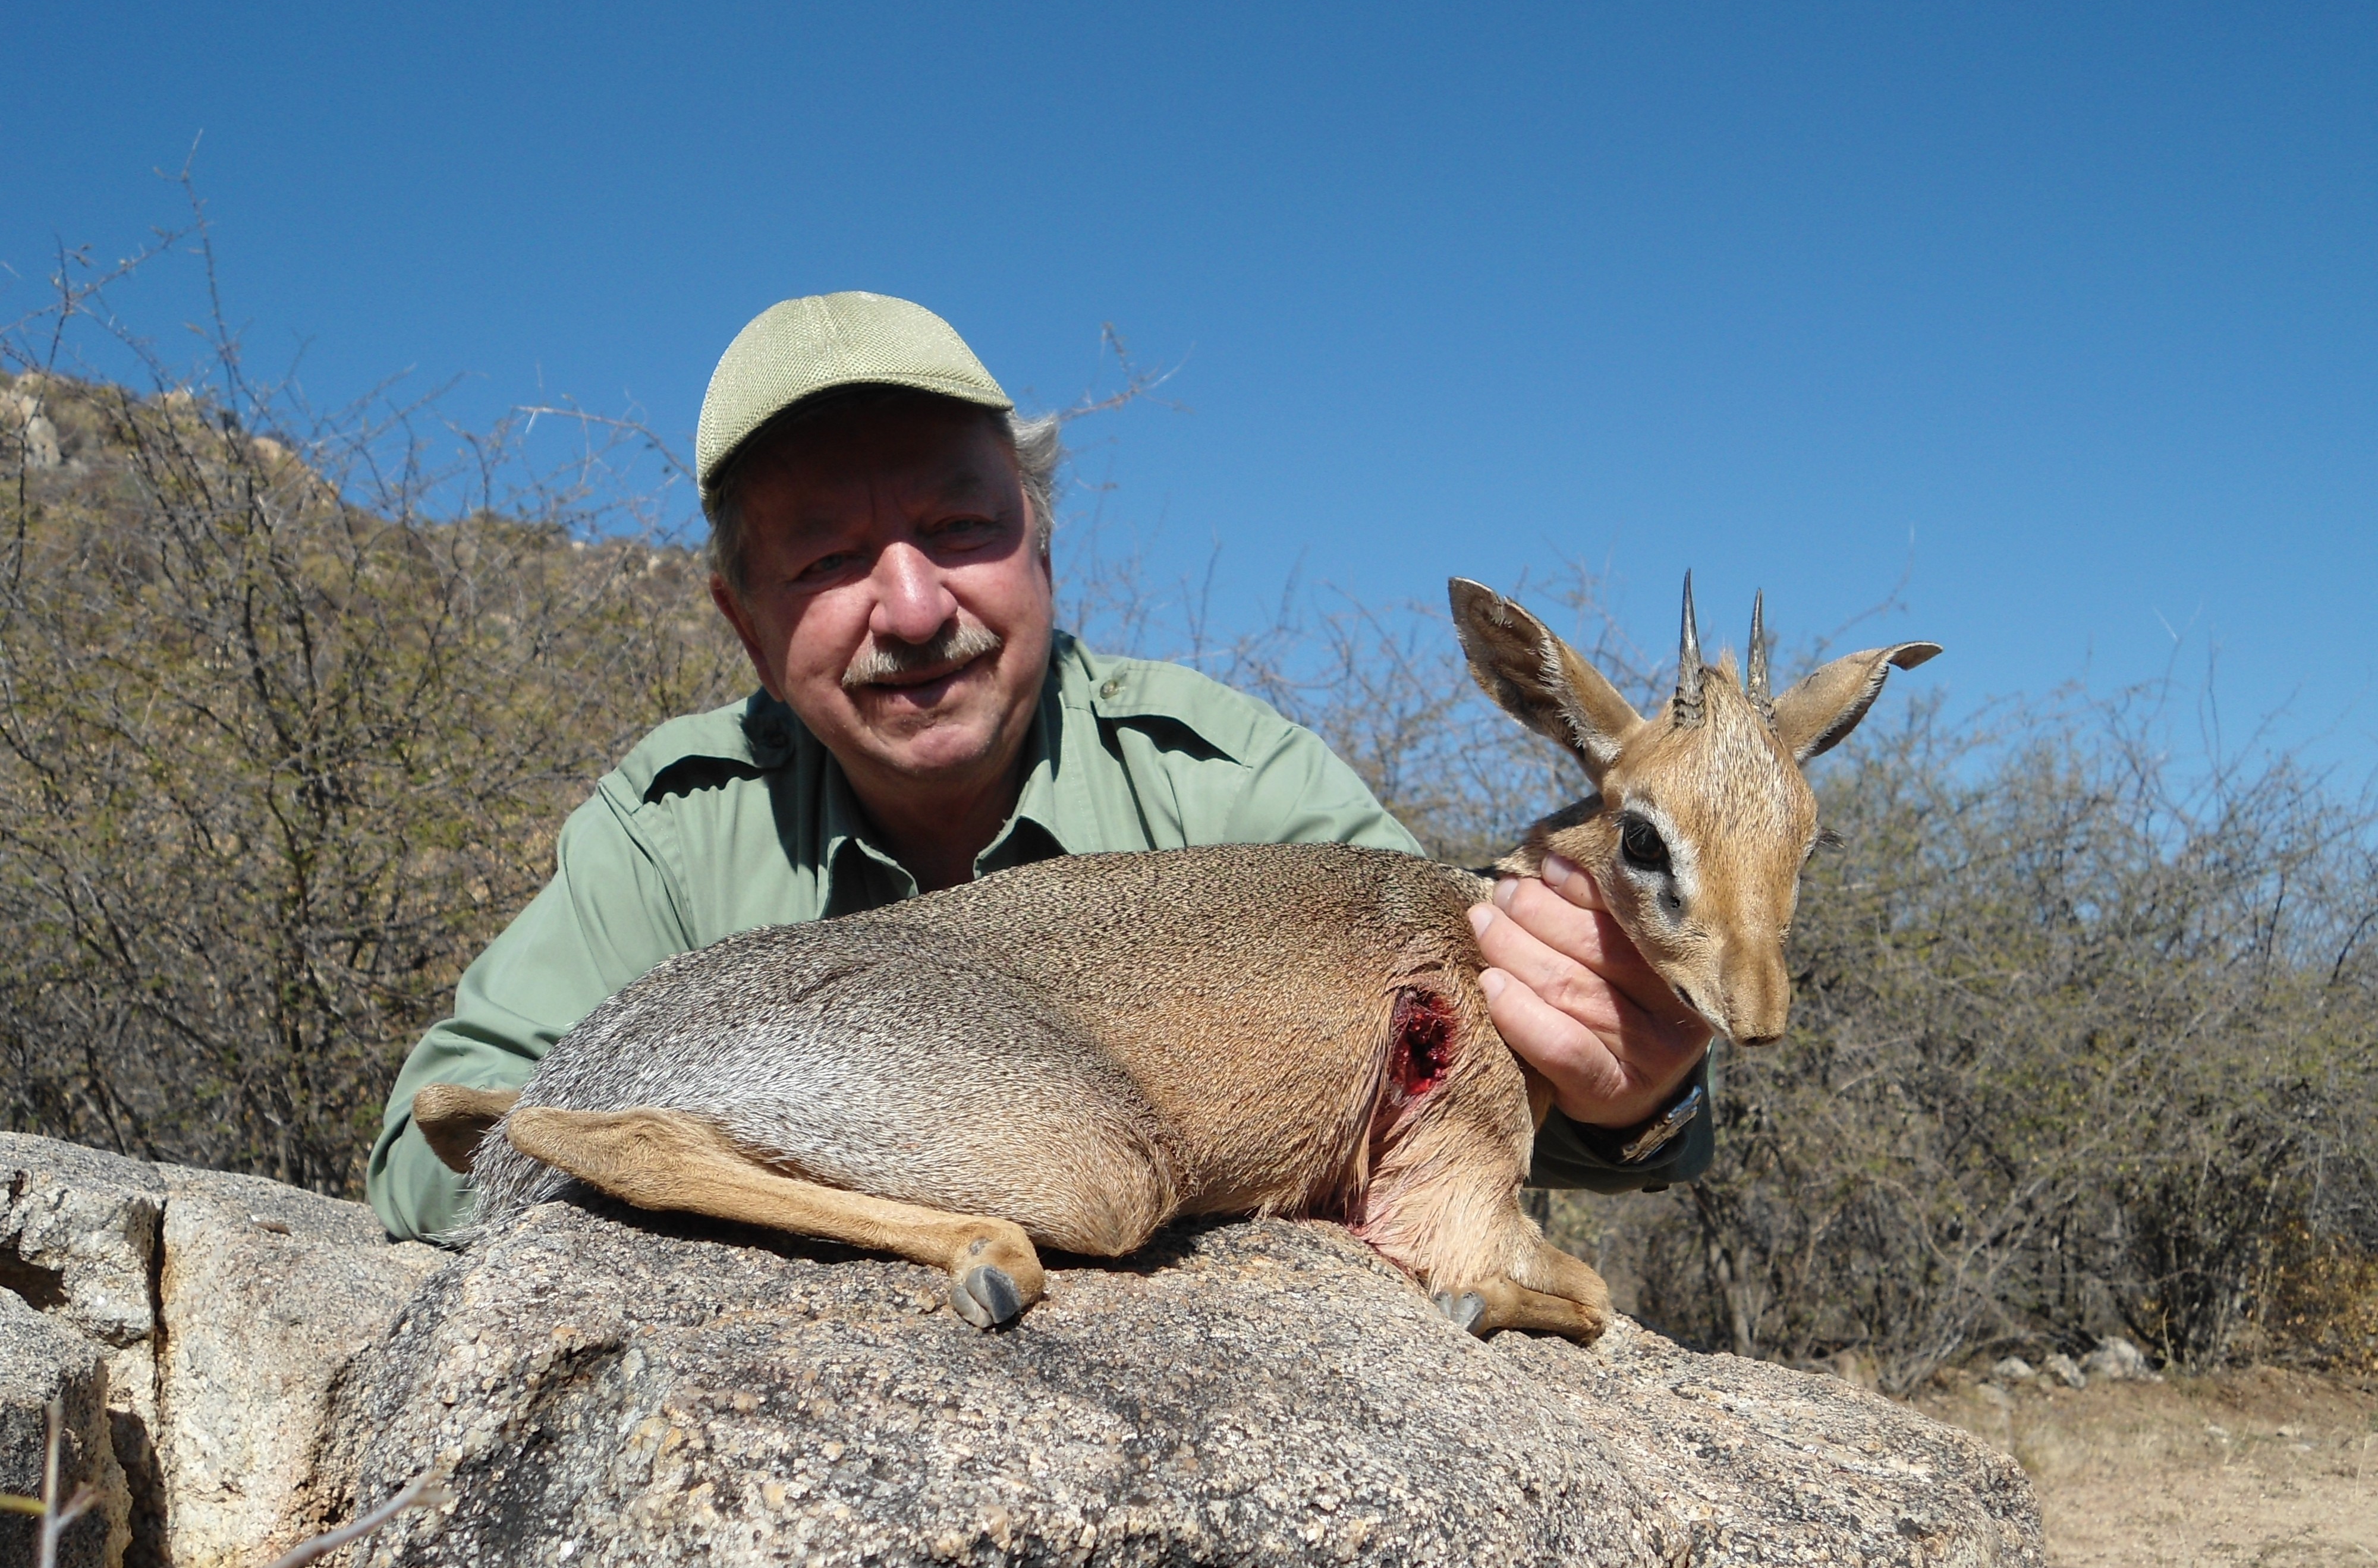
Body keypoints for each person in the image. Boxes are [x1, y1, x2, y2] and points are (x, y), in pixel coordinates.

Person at [367, 292, 1713, 1243]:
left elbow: (1462, 1061)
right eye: (827, 557)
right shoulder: (673, 827)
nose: (908, 607)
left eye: (959, 527)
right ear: (746, 625)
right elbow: (436, 1169)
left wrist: (1631, 1091)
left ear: (1043, 551)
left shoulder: (1229, 778)